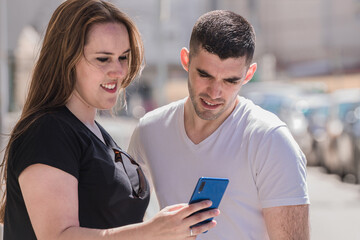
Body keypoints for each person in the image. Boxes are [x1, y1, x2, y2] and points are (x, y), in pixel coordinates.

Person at [0, 0, 220, 239]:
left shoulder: (96, 134)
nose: (118, 71)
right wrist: (152, 231)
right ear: (67, 60)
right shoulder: (48, 132)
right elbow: (58, 236)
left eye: (123, 57)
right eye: (103, 59)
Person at [128, 10, 310, 240]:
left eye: (230, 80)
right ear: (186, 60)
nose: (215, 92)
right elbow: (124, 221)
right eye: (205, 75)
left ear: (248, 74)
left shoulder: (271, 140)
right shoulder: (150, 131)